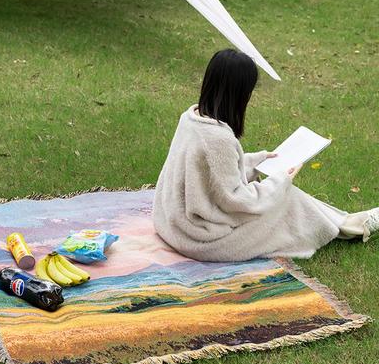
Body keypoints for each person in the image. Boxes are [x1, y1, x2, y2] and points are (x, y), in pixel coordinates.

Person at [153, 49, 378, 262]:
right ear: (239, 93)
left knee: (282, 195)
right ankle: (355, 227)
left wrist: (257, 162)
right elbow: (237, 201)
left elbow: (207, 173)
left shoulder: (191, 117)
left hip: (173, 223)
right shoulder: (218, 139)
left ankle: (350, 223)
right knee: (287, 200)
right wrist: (281, 180)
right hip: (200, 238)